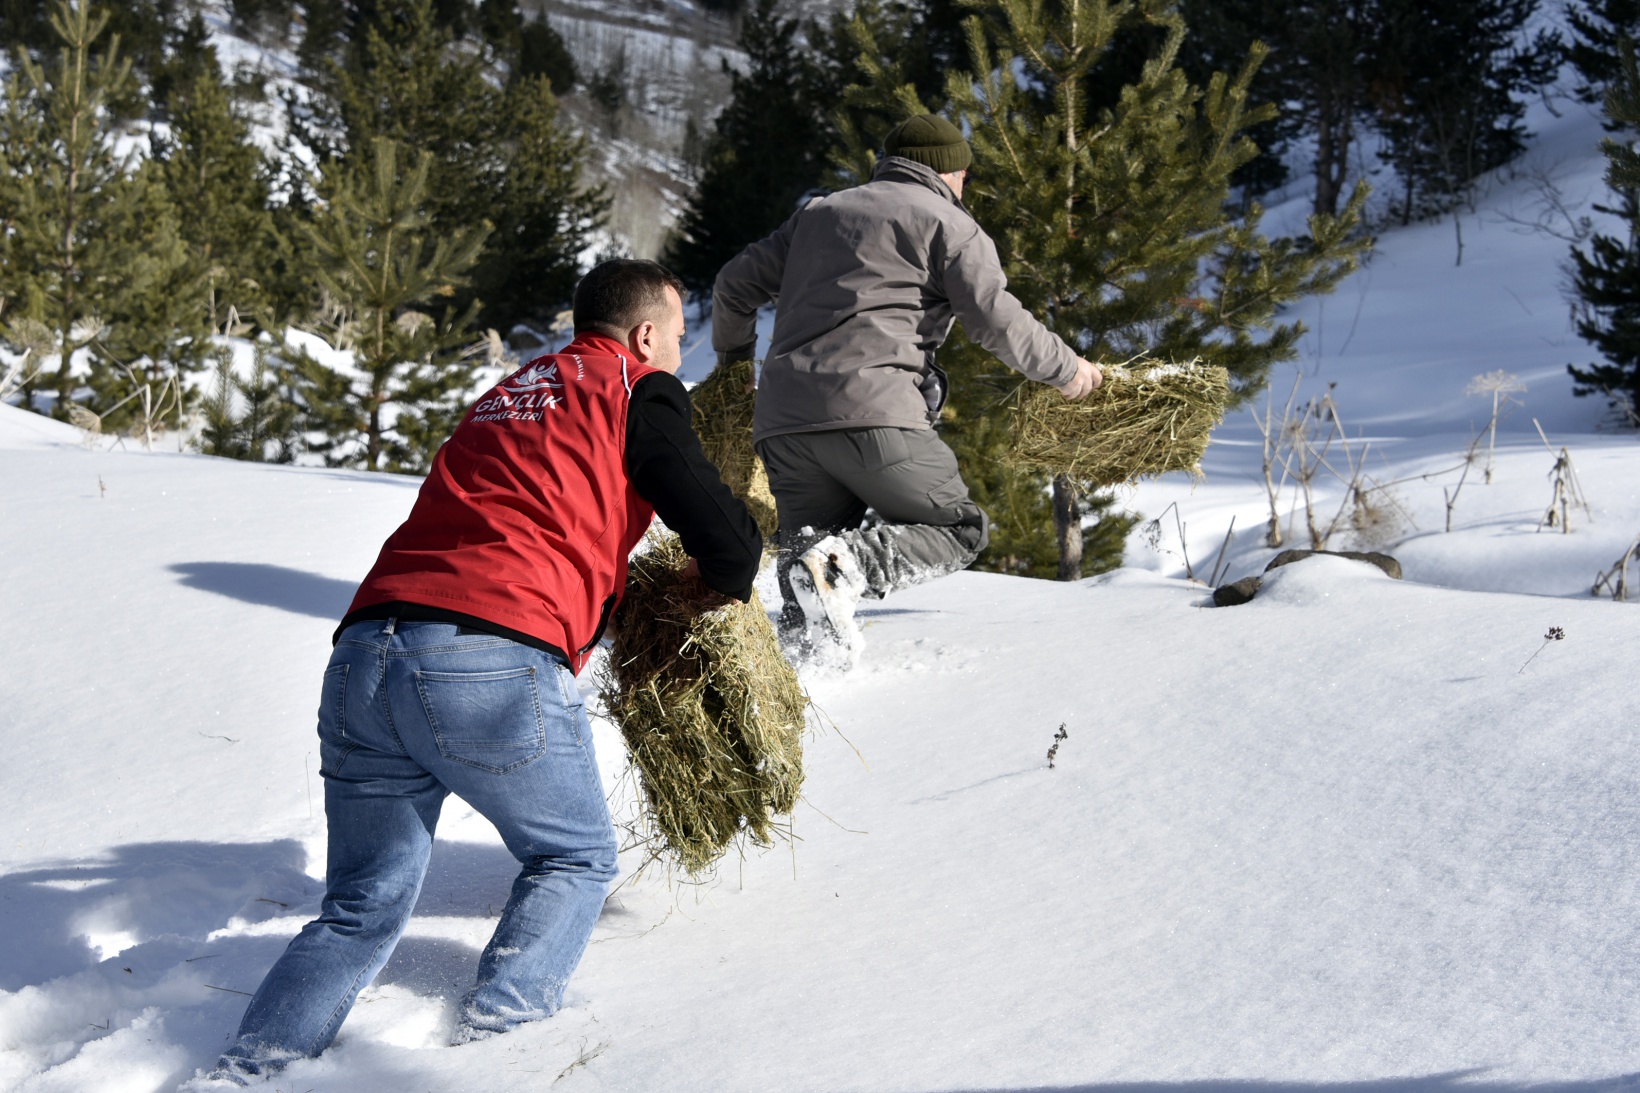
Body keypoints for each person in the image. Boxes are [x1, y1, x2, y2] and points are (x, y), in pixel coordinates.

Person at [200, 260, 761, 1085]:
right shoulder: (636, 387)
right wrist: (717, 576)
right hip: (487, 652)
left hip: (364, 652)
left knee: (359, 906)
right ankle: (503, 1050)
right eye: (679, 336)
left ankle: (247, 1070)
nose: (681, 352)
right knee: (573, 858)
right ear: (645, 336)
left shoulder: (510, 391)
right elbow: (721, 530)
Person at [712, 114, 1101, 655]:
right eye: (966, 176)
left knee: (807, 575)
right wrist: (1067, 369)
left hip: (783, 426)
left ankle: (809, 674)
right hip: (875, 413)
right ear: (951, 171)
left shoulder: (818, 214)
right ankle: (848, 567)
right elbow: (994, 318)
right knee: (959, 529)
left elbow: (732, 285)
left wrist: (735, 368)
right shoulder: (948, 223)